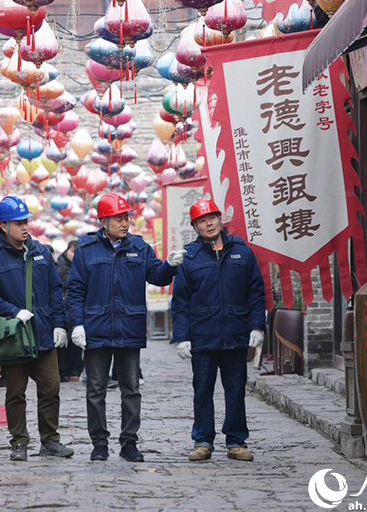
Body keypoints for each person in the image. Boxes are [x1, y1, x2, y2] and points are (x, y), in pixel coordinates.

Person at [67, 192, 186, 462]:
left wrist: (169, 266)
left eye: (126, 217)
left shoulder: (140, 247)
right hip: (96, 330)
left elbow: (156, 275)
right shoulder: (86, 250)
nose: (124, 223)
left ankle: (129, 442)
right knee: (95, 390)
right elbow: (74, 291)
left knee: (130, 389)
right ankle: (99, 443)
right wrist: (77, 324)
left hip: (129, 328)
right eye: (118, 218)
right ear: (103, 221)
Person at [0, 196, 73, 462]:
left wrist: (60, 325)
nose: (25, 227)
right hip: (14, 337)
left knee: (51, 388)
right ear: (4, 226)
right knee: (15, 393)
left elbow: (55, 290)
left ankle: (50, 440)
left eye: (26, 221)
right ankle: (19, 442)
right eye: (18, 223)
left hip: (42, 333)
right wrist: (13, 311)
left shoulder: (41, 252)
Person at [170, 198, 266, 463]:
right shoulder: (189, 257)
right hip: (203, 336)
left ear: (219, 219)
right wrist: (182, 337)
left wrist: (258, 326)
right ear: (195, 226)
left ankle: (236, 441)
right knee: (203, 390)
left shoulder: (242, 252)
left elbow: (256, 292)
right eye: (202, 220)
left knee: (235, 389)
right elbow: (180, 302)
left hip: (236, 333)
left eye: (211, 217)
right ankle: (203, 441)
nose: (208, 223)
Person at [56, 241, 83, 382]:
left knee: (75, 341)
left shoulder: (81, 264)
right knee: (62, 341)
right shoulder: (59, 264)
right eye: (72, 251)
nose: (73, 255)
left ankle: (75, 370)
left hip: (74, 306)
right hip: (62, 306)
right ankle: (63, 371)